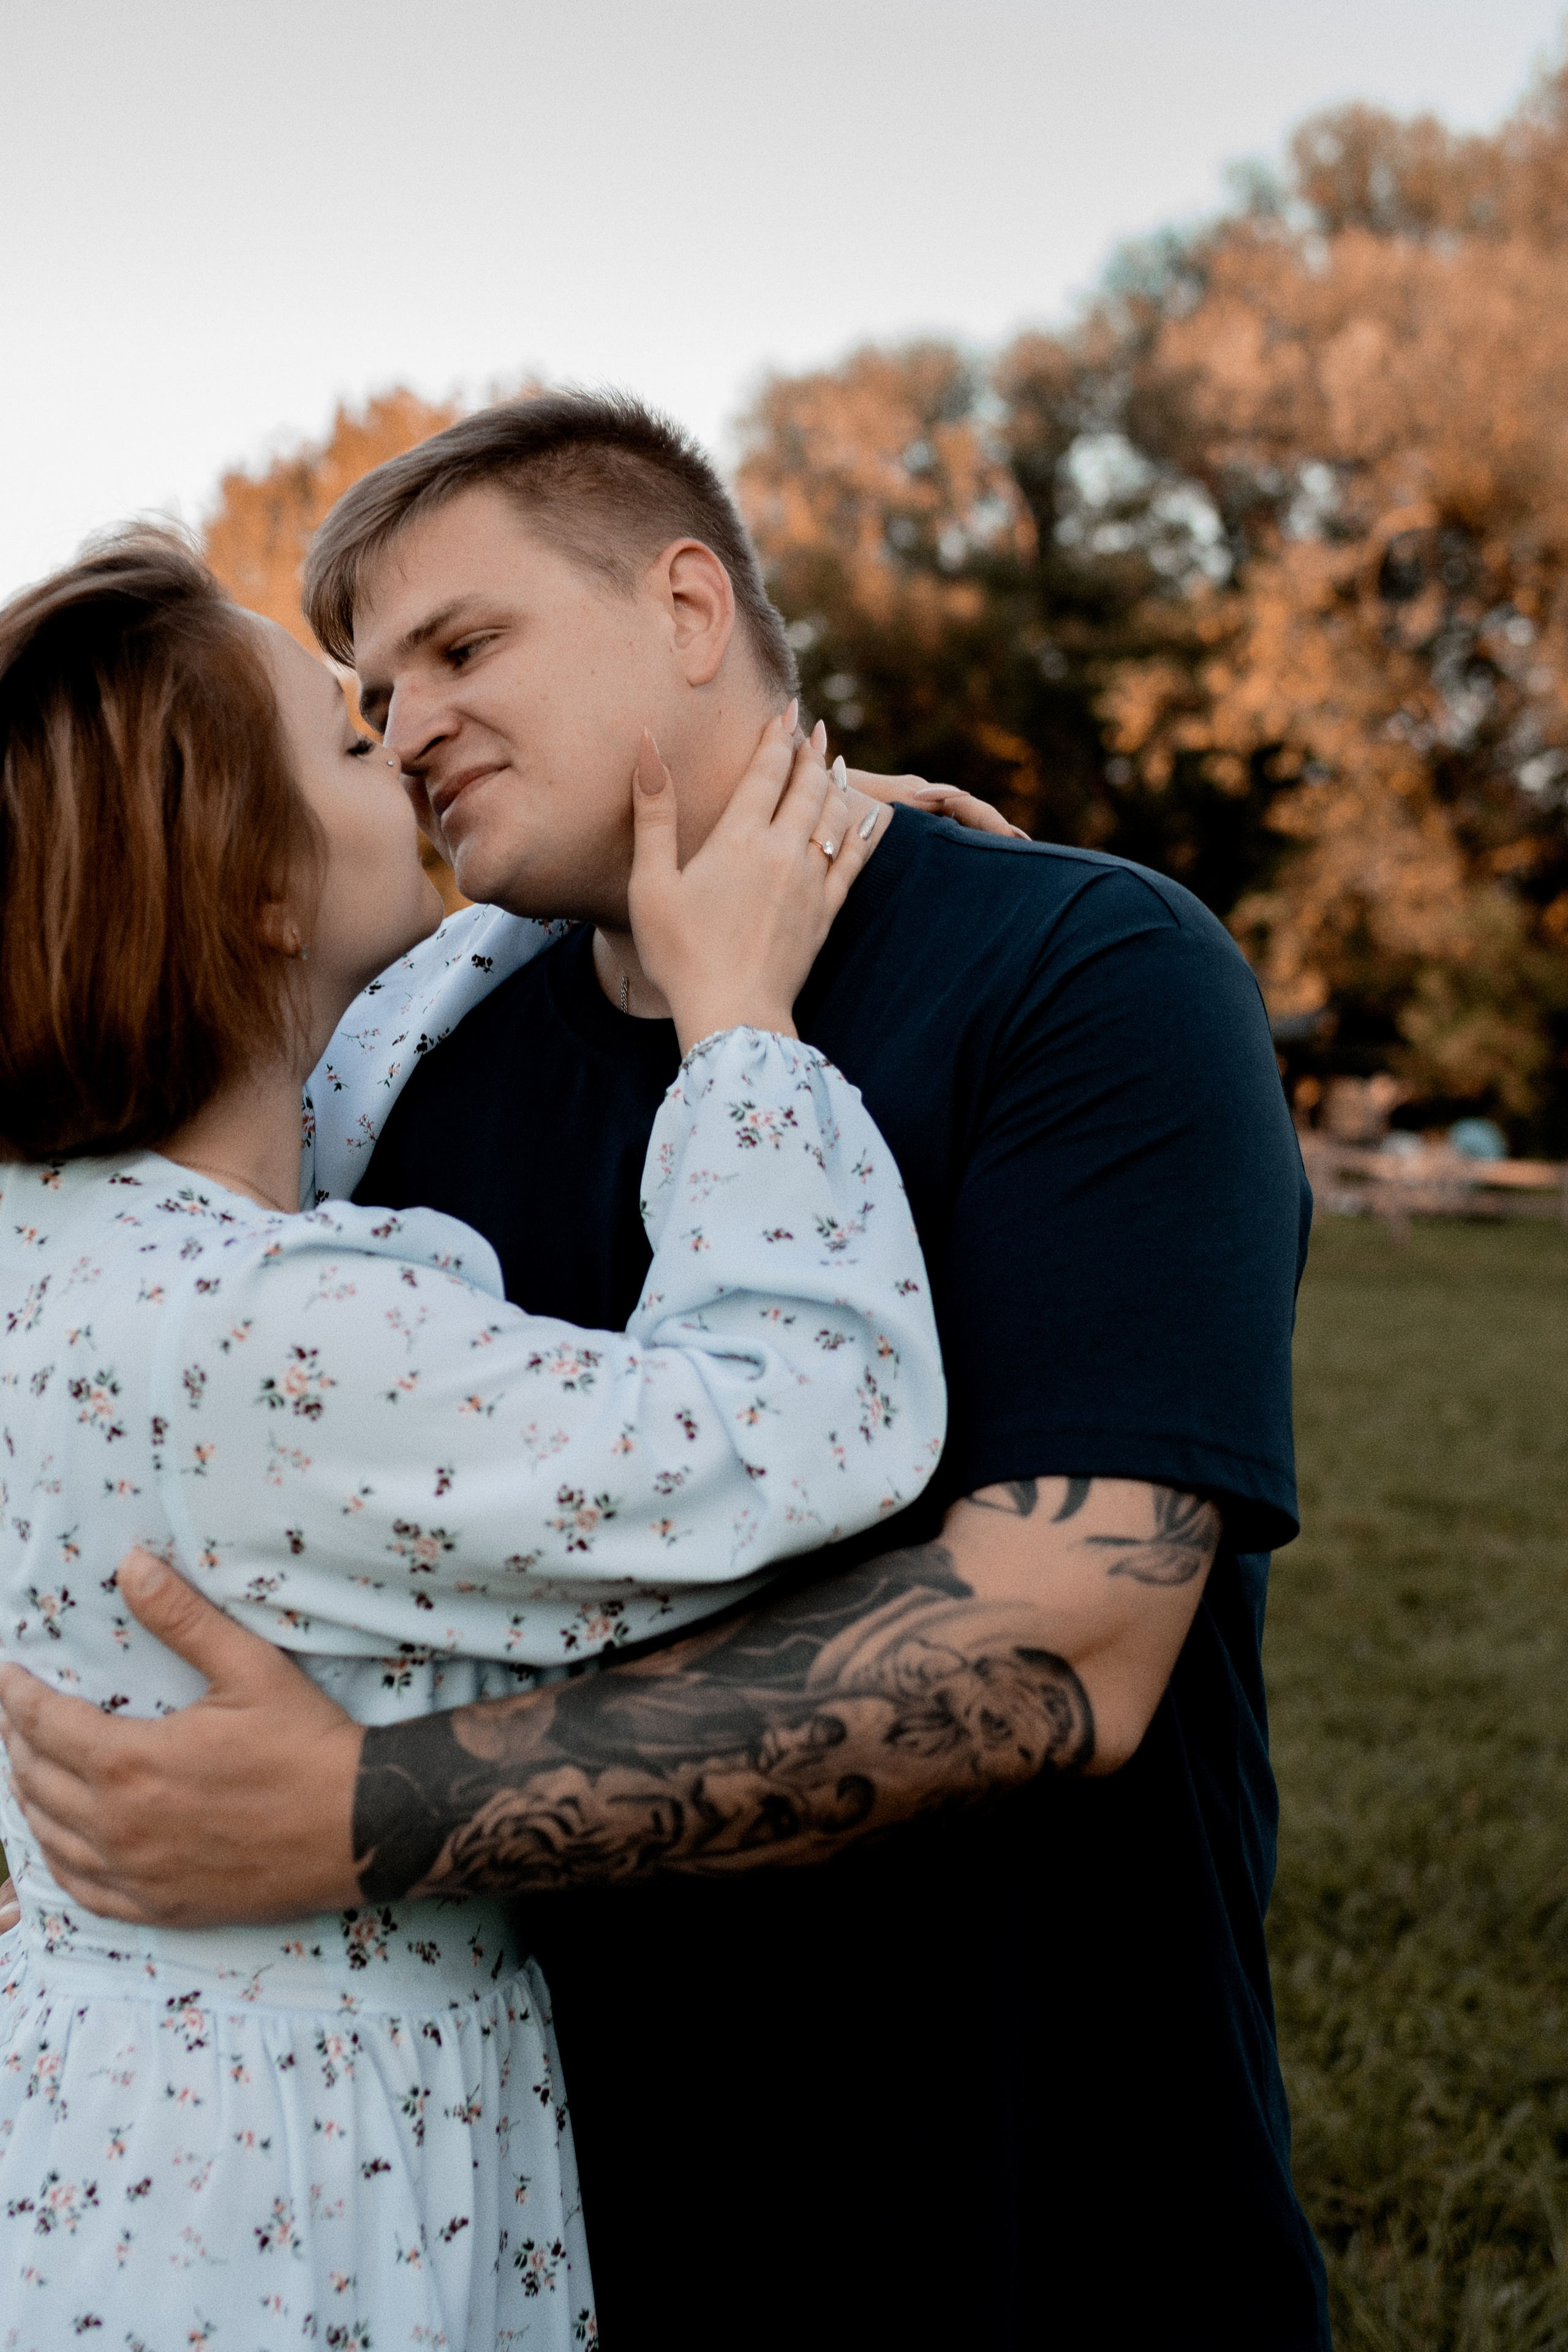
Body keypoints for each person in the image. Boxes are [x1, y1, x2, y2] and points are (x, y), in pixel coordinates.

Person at [1, 393, 1332, 2348]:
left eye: (465, 648)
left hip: (1023, 2190)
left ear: (690, 604)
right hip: (528, 2207)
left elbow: (1065, 1646)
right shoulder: (403, 1091)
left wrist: (361, 1811)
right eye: (366, 697)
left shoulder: (1083, 969)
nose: (410, 721)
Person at [0, 531, 949, 2348]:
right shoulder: (273, 1330)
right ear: (259, 890)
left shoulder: (59, 1232)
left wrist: (707, 841)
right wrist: (738, 1014)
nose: (416, 751)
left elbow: (352, 1062)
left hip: (90, 2109)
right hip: (290, 2189)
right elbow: (798, 1426)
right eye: (357, 749)